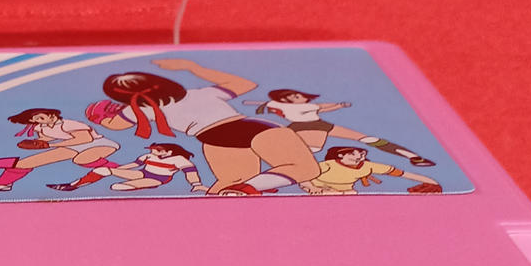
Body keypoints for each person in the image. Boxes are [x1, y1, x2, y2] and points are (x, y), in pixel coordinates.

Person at [86, 59, 319, 196]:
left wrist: (99, 113)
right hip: (250, 127)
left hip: (215, 140)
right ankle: (249, 186)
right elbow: (244, 84)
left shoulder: (140, 110)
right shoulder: (202, 93)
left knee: (225, 187)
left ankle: (242, 190)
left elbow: (113, 125)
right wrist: (192, 67)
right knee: (304, 168)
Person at [243, 89, 436, 166]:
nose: (299, 97)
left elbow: (321, 107)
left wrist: (339, 106)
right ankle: (260, 160)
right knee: (312, 149)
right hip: (304, 127)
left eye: (298, 95)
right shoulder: (293, 107)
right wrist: (339, 105)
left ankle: (413, 157)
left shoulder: (285, 105)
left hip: (321, 124)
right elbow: (322, 106)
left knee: (366, 138)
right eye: (293, 97)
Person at [0, 108, 120, 192]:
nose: (37, 120)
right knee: (24, 163)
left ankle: (119, 170)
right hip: (69, 146)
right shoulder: (41, 127)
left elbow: (85, 139)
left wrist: (50, 146)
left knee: (82, 159)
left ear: (51, 115)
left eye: (40, 117)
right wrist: (36, 143)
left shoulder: (69, 123)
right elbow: (47, 139)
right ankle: (1, 184)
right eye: (34, 119)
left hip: (98, 143)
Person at [47, 143, 204, 192]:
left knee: (117, 187)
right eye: (152, 149)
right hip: (142, 173)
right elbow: (135, 165)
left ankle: (141, 188)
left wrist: (196, 184)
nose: (152, 152)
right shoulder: (148, 156)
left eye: (156, 150)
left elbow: (190, 173)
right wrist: (119, 169)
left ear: (168, 152)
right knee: (102, 170)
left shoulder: (179, 159)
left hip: (159, 179)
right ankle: (73, 185)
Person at [303, 146, 442, 195]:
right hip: (316, 188)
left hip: (345, 192)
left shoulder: (368, 166)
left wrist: (433, 183)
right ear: (341, 156)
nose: (359, 157)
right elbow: (303, 176)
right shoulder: (328, 164)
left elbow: (403, 174)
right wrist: (311, 187)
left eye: (361, 154)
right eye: (353, 154)